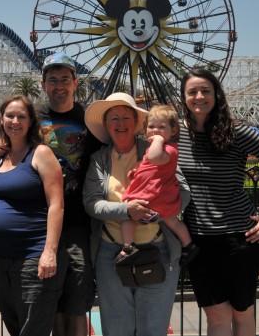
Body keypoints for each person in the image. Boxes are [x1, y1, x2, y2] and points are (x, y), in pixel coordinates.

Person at [0, 51, 102, 336]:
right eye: (53, 80)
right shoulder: (33, 120)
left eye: (65, 79)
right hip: (38, 227)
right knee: (46, 306)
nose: (59, 85)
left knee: (75, 304)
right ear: (43, 85)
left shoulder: (90, 121)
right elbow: (12, 145)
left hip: (76, 223)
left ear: (76, 83)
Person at [178, 68, 259, 336]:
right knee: (216, 315)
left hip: (239, 237)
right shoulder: (178, 134)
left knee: (242, 312)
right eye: (192, 92)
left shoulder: (237, 131)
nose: (199, 96)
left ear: (216, 95)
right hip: (196, 239)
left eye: (205, 90)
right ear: (183, 97)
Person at [82, 92, 190, 336]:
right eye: (114, 119)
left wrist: (154, 213)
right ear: (106, 125)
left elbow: (183, 193)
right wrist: (126, 210)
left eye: (125, 117)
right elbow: (91, 203)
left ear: (135, 122)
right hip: (112, 253)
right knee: (117, 327)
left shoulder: (156, 149)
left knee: (153, 327)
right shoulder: (99, 159)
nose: (120, 124)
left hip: (157, 249)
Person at [0, 95, 66, 336]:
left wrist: (49, 252)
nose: (15, 121)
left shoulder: (41, 154)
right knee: (15, 327)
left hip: (33, 256)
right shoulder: (0, 157)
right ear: (1, 119)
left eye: (21, 117)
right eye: (10, 116)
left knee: (33, 329)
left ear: (31, 122)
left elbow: (56, 205)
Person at [118, 104, 199, 266]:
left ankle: (128, 246)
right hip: (153, 192)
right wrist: (137, 167)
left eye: (162, 127)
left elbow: (154, 158)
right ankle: (188, 244)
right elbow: (148, 160)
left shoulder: (170, 149)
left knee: (129, 216)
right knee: (170, 220)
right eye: (151, 126)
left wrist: (158, 139)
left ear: (173, 131)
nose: (155, 131)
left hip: (154, 194)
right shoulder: (156, 148)